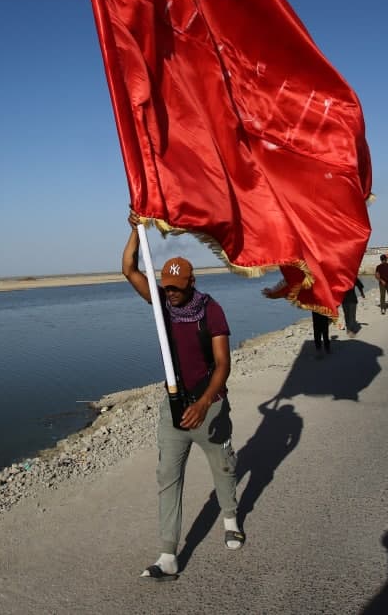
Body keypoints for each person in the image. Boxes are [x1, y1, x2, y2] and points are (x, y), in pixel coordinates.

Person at [122, 218, 243, 581]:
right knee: (168, 476)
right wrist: (136, 229)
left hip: (210, 405)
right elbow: (129, 269)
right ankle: (168, 554)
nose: (171, 293)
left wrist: (204, 404)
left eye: (177, 288)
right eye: (167, 286)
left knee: (223, 467)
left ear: (191, 282)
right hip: (174, 406)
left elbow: (223, 364)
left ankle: (231, 520)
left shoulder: (210, 310)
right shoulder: (162, 304)